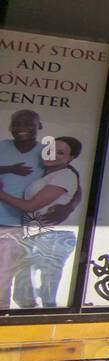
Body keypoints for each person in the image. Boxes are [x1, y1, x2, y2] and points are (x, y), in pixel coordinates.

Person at [0, 136, 82, 308]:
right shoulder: (48, 171)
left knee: (45, 293)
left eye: (61, 152)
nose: (53, 154)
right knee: (24, 293)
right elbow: (77, 190)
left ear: (70, 158)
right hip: (33, 236)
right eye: (51, 149)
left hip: (52, 237)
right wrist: (72, 204)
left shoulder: (65, 174)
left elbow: (31, 206)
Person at [0, 109, 43, 308]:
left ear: (39, 126)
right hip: (5, 221)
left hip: (23, 224)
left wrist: (69, 204)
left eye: (28, 123)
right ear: (10, 128)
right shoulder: (3, 146)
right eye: (17, 123)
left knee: (11, 272)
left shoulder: (45, 152)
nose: (22, 128)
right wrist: (8, 169)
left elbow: (69, 174)